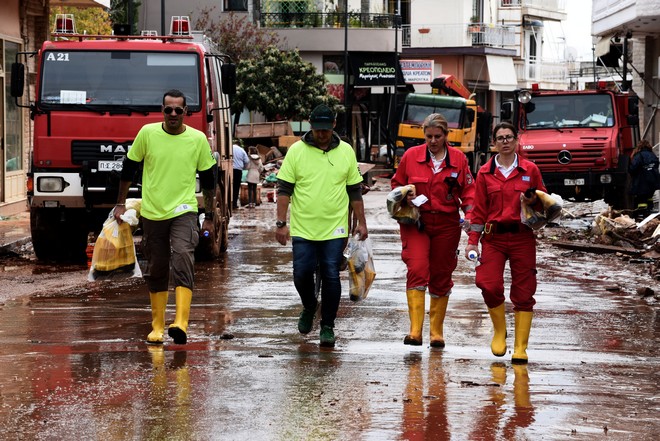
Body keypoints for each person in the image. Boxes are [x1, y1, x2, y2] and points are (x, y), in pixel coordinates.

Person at [114, 89, 217, 345]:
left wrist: (210, 216)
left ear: (186, 113)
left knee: (183, 254)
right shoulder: (147, 134)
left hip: (184, 210)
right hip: (152, 212)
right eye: (168, 109)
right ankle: (157, 326)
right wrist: (119, 203)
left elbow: (209, 181)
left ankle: (181, 322)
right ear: (162, 110)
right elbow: (129, 168)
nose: (173, 114)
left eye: (178, 110)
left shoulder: (197, 139)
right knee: (158, 267)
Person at [275, 104, 368, 348]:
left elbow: (354, 190)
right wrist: (281, 223)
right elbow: (284, 188)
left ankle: (327, 326)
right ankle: (309, 305)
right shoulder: (296, 151)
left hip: (334, 228)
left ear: (334, 125)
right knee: (301, 273)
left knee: (330, 275)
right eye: (318, 130)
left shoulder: (346, 151)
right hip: (304, 227)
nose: (323, 134)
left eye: (326, 129)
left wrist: (361, 223)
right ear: (310, 125)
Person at [391, 113, 475, 348]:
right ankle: (415, 331)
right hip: (416, 221)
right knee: (417, 268)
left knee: (441, 274)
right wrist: (404, 194)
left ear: (446, 136)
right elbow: (396, 183)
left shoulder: (459, 160)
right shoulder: (411, 156)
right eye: (429, 136)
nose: (433, 141)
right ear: (424, 135)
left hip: (447, 224)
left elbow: (469, 192)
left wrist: (470, 216)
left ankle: (436, 333)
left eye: (438, 136)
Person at [465, 121, 546, 364]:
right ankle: (500, 331)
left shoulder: (530, 170)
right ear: (494, 143)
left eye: (509, 137)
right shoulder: (485, 173)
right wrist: (472, 242)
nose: (505, 141)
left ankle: (521, 347)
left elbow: (545, 203)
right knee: (487, 283)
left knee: (524, 291)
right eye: (500, 138)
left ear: (516, 140)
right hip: (494, 238)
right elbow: (478, 210)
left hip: (522, 237)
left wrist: (534, 201)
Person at [629, 139, 660, 212]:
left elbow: (633, 167)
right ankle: (650, 210)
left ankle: (642, 214)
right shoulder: (652, 154)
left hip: (642, 181)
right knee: (649, 196)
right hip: (653, 180)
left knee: (641, 200)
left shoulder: (638, 155)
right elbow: (656, 165)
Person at [232, 143, 249, 210]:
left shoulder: (229, 148)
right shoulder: (241, 150)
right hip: (238, 171)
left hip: (229, 169)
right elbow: (247, 161)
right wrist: (244, 168)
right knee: (236, 188)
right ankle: (234, 204)